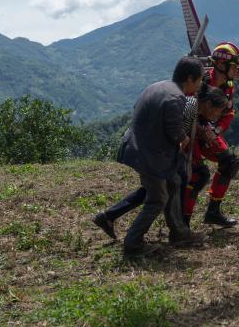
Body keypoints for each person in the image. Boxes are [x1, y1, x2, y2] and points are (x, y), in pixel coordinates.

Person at [93, 83, 228, 245]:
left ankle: (110, 216)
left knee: (157, 189)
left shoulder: (194, 108)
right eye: (219, 111)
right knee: (166, 189)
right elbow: (177, 133)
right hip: (159, 154)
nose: (218, 115)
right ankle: (166, 234)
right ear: (208, 104)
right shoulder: (191, 106)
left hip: (158, 153)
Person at [98, 56, 204, 258]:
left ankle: (180, 233)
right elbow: (174, 129)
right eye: (198, 80)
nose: (198, 86)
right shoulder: (177, 97)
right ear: (190, 78)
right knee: (157, 199)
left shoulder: (157, 86)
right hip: (148, 156)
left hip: (135, 148)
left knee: (173, 181)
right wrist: (183, 139)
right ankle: (133, 244)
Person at [183, 42, 239, 228]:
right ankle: (183, 221)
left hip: (210, 132)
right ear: (221, 65)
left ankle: (213, 212)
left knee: (230, 162)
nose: (237, 70)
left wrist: (215, 131)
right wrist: (204, 130)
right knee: (198, 173)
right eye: (234, 66)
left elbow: (228, 113)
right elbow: (188, 114)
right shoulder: (200, 83)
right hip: (190, 132)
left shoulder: (228, 86)